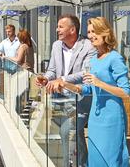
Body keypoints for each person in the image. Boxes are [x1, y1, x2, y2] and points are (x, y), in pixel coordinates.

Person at [50, 17, 130, 167]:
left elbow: (126, 92)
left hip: (112, 118)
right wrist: (66, 84)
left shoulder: (115, 58)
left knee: (111, 159)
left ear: (105, 33)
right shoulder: (94, 59)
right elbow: (88, 88)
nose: (91, 35)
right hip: (95, 117)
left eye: (95, 32)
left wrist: (100, 83)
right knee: (95, 159)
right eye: (89, 32)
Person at [35, 14, 95, 167]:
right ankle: (83, 164)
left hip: (82, 99)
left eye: (61, 27)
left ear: (72, 30)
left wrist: (62, 80)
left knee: (66, 132)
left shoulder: (88, 45)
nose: (57, 29)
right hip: (62, 101)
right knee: (77, 135)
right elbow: (52, 70)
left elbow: (85, 73)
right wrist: (45, 78)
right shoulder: (56, 45)